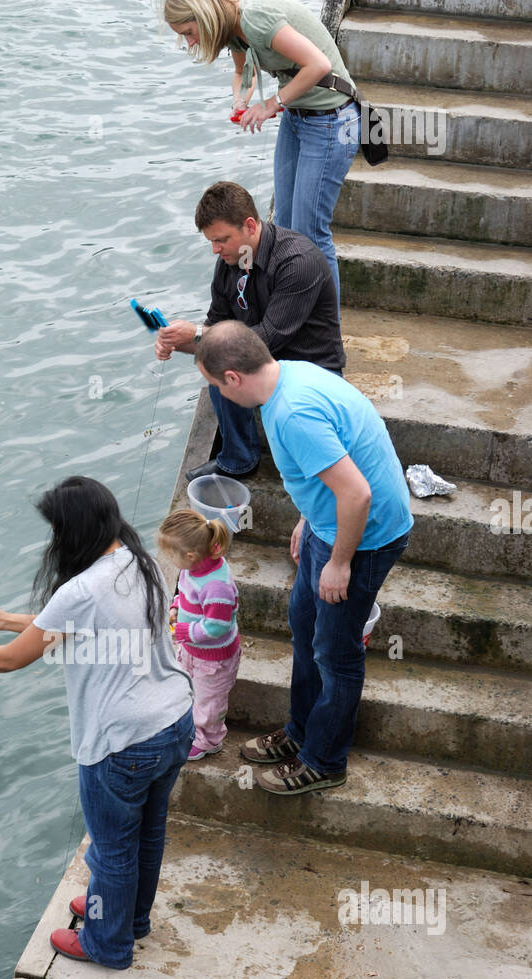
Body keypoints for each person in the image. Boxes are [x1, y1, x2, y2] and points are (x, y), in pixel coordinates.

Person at [0, 476, 194, 970]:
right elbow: (70, 624)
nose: (54, 541)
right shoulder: (145, 564)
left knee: (114, 849)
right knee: (148, 832)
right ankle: (128, 917)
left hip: (123, 742)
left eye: (56, 530)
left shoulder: (79, 589)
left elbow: (14, 660)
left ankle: (106, 944)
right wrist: (4, 617)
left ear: (73, 532)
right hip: (174, 720)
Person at [195, 321, 412, 795]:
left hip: (365, 537)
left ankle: (325, 760)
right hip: (327, 522)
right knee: (304, 622)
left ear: (232, 378)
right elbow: (330, 476)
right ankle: (299, 731)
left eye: (214, 385)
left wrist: (339, 562)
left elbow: (356, 495)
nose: (218, 394)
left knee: (336, 652)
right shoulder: (285, 375)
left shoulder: (292, 412)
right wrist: (308, 516)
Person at [164, 0, 361, 297]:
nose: (190, 42)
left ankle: (326, 334)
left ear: (205, 17)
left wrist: (271, 104)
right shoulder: (233, 30)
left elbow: (319, 65)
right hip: (297, 118)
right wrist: (240, 101)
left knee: (311, 235)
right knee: (281, 227)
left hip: (333, 121)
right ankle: (287, 313)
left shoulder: (255, 19)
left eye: (189, 32)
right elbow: (243, 73)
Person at [155, 181, 344, 482]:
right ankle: (238, 458)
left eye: (221, 240)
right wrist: (179, 340)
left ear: (250, 226)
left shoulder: (297, 262)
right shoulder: (229, 260)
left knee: (221, 353)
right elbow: (216, 325)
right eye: (211, 242)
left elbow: (266, 339)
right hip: (263, 364)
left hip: (312, 369)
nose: (215, 250)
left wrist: (199, 336)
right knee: (215, 361)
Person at [158, 509, 241, 761]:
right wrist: (175, 607)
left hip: (214, 659)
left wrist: (183, 631)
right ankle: (189, 726)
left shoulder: (216, 586)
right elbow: (184, 594)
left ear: (190, 555)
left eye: (170, 554)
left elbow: (218, 626)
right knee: (189, 688)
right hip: (193, 649)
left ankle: (209, 740)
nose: (168, 558)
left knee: (210, 700)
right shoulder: (191, 569)